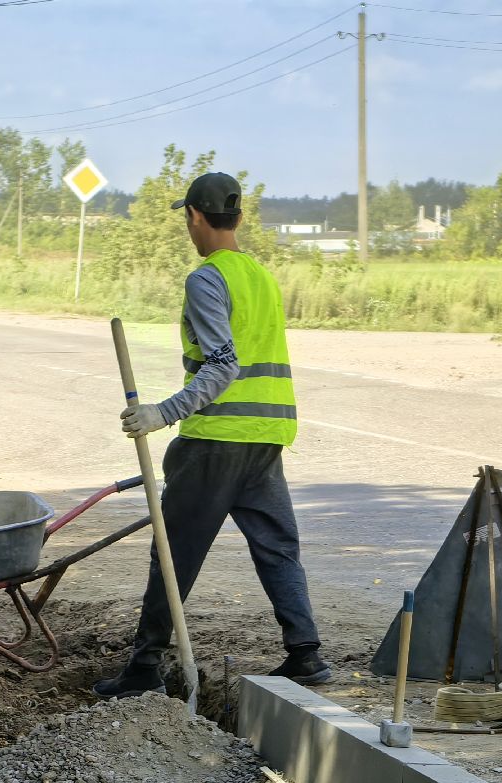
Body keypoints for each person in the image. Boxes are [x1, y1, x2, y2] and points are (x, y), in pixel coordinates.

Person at [94, 172, 329, 699]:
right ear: (239, 218)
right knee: (277, 547)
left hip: (215, 439)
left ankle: (145, 665)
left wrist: (163, 413)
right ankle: (306, 653)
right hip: (266, 435)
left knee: (174, 550)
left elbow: (222, 366)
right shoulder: (260, 276)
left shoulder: (207, 278)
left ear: (194, 217)